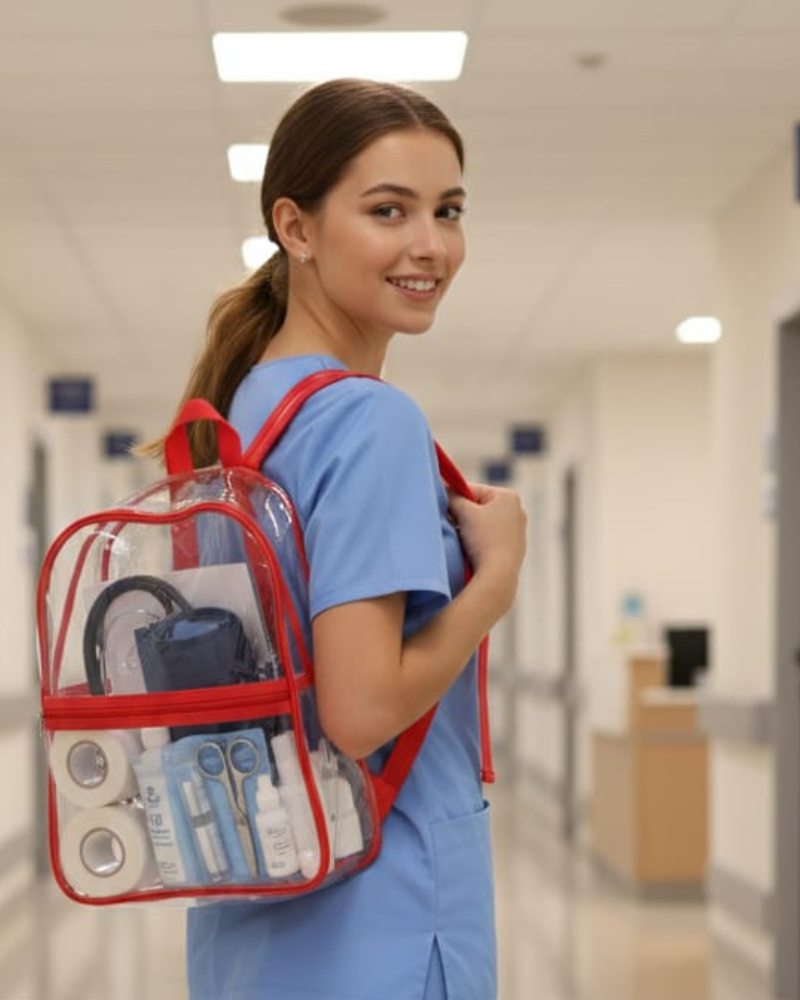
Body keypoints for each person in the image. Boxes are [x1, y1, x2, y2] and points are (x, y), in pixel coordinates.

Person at [149, 77, 527, 1000]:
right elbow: (360, 711)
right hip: (383, 923)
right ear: (298, 227)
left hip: (261, 922)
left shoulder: (244, 418)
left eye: (448, 210)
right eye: (387, 210)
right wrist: (496, 582)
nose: (429, 245)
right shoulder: (369, 422)